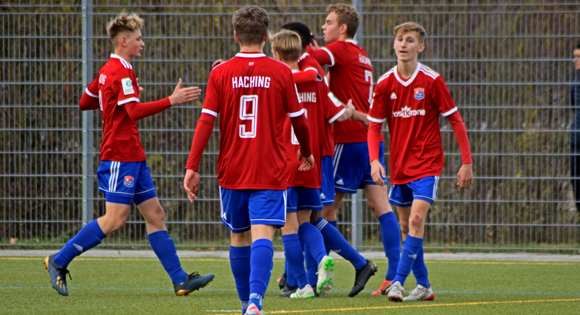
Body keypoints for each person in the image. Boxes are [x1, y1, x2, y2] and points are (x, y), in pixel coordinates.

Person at [43, 13, 214, 297]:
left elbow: (86, 101)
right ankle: (58, 260)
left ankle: (180, 280)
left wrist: (115, 96)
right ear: (124, 41)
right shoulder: (120, 71)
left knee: (156, 215)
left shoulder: (110, 70)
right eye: (138, 39)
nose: (142, 43)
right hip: (119, 156)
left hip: (134, 156)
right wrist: (170, 100)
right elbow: (132, 112)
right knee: (115, 220)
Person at [182, 6, 313, 315]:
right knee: (264, 233)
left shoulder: (220, 72)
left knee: (239, 235)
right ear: (267, 36)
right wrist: (306, 151)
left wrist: (192, 166)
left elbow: (205, 123)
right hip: (270, 168)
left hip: (232, 168)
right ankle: (255, 301)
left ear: (236, 35)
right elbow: (300, 121)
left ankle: (245, 305)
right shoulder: (281, 72)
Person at [367, 22, 473, 302]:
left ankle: (398, 283)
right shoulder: (384, 83)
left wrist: (466, 162)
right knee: (406, 227)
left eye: (410, 40)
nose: (403, 44)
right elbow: (374, 126)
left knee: (416, 220)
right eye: (399, 39)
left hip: (427, 165)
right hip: (399, 167)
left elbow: (455, 120)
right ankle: (424, 285)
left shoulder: (432, 80)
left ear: (420, 47)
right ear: (394, 44)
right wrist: (374, 160)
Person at [306, 3, 401, 296]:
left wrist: (302, 42)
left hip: (346, 140)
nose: (324, 28)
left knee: (320, 211)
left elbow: (306, 56)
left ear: (343, 28)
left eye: (328, 22)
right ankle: (394, 275)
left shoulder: (342, 49)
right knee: (380, 206)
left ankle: (316, 276)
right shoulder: (361, 53)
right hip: (370, 139)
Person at [278, 21, 377, 298]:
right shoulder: (316, 76)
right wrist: (359, 115)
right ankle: (344, 263)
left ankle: (301, 281)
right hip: (316, 158)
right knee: (310, 218)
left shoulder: (276, 78)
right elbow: (337, 112)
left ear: (276, 53)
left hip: (289, 158)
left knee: (291, 222)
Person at [570, 44, 580, 213]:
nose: (574, 60)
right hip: (576, 141)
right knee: (576, 182)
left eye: (578, 56)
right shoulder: (575, 83)